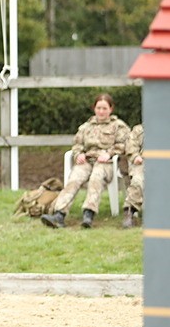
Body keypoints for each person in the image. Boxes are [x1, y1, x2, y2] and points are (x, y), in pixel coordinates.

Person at [41, 93, 131, 229]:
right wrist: (78, 154)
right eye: (98, 108)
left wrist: (109, 153)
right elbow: (77, 144)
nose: (101, 111)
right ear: (94, 108)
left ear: (111, 109)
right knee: (74, 178)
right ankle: (59, 214)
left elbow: (124, 144)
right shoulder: (86, 127)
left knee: (96, 177)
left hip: (106, 163)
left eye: (104, 108)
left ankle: (88, 214)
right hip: (87, 161)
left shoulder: (118, 126)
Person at [123, 123, 144, 228]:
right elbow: (131, 146)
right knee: (137, 181)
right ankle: (129, 213)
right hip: (143, 162)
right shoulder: (139, 130)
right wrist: (135, 156)